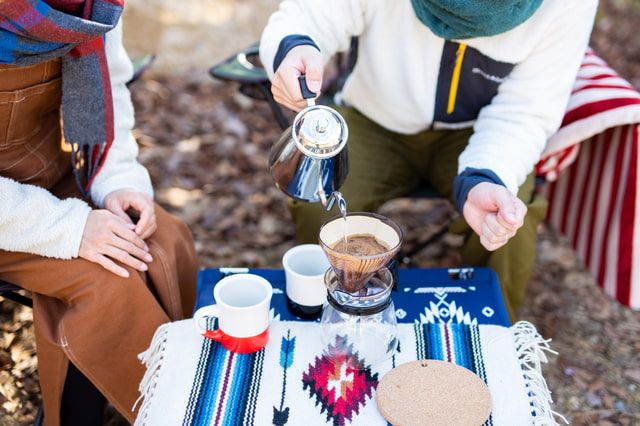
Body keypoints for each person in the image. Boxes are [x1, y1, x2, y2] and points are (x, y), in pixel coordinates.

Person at [260, 0, 598, 319]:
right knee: (319, 207)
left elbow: (527, 109)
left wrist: (487, 176)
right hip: (374, 118)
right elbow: (311, 14)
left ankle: (493, 338)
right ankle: (323, 320)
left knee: (507, 226)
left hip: (481, 133)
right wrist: (294, 48)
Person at [0, 1, 198, 424]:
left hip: (52, 181)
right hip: (9, 215)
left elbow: (112, 87)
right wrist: (70, 228)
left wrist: (119, 181)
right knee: (110, 282)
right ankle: (152, 413)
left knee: (165, 240)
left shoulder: (90, 7)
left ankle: (190, 389)